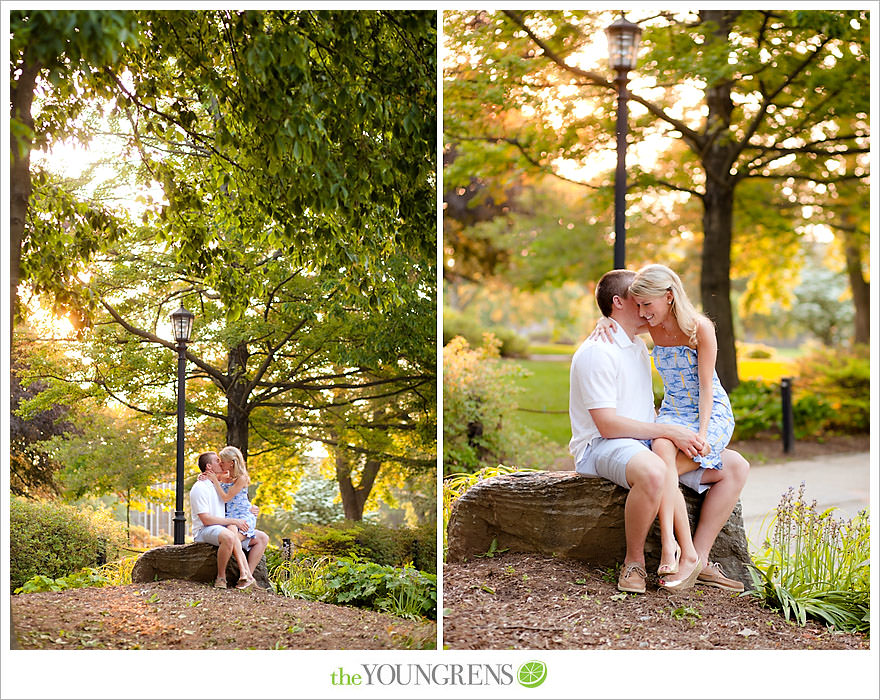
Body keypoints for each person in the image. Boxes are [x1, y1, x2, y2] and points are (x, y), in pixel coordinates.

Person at [571, 269, 748, 593]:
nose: (643, 312)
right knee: (657, 467)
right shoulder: (599, 351)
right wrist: (668, 430)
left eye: (646, 303)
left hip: (646, 436)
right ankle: (635, 562)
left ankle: (699, 560)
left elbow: (702, 383)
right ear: (619, 303)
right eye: (636, 302)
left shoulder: (638, 343)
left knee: (735, 465)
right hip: (604, 443)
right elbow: (607, 426)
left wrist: (681, 431)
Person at [199, 446, 270, 587]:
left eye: (222, 461)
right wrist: (203, 476)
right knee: (232, 531)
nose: (220, 464)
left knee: (233, 536)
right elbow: (207, 476)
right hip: (230, 518)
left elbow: (226, 498)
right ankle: (247, 577)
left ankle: (246, 574)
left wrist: (215, 481)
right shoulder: (223, 476)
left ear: (231, 462)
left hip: (243, 516)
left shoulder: (242, 478)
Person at [190, 451, 256, 589]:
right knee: (229, 536)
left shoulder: (217, 483)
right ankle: (221, 578)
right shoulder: (200, 487)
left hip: (220, 526)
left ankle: (248, 577)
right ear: (209, 467)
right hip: (204, 530)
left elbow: (235, 499)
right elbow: (206, 520)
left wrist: (250, 508)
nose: (220, 463)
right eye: (217, 461)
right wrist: (234, 521)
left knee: (261, 537)